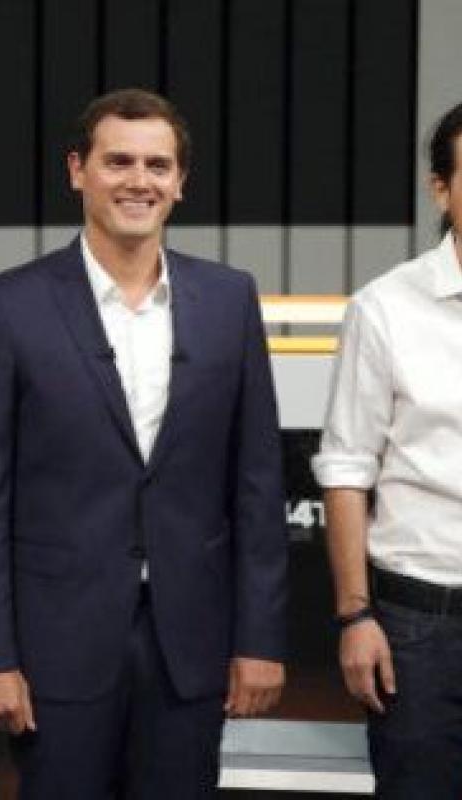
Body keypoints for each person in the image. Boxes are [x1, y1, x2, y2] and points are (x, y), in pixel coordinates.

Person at [0, 88, 287, 798]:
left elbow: (257, 484)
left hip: (189, 647)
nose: (139, 180)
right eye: (118, 161)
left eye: (158, 165)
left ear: (181, 181)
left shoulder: (230, 300)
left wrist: (260, 640)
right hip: (55, 649)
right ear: (78, 170)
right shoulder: (9, 305)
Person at [316, 101, 462, 798]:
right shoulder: (385, 307)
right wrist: (356, 616)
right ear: (441, 189)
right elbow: (347, 469)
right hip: (420, 624)